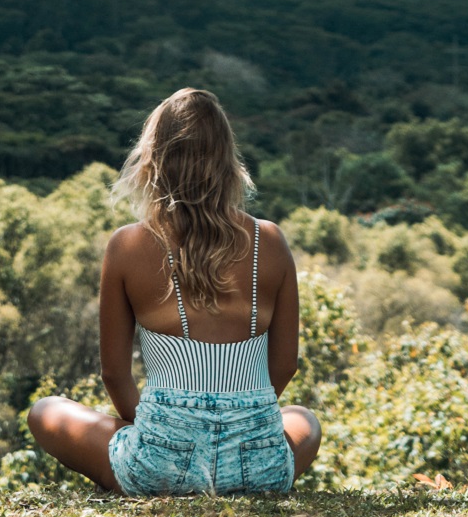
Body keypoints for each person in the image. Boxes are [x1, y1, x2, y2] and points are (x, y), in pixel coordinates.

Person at [28, 88, 321, 495]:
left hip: (160, 465)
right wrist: (238, 421)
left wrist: (166, 433)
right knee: (304, 419)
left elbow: (114, 373)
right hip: (259, 465)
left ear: (154, 159)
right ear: (227, 160)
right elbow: (285, 364)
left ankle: (151, 471)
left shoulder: (128, 245)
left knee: (46, 410)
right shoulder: (269, 240)